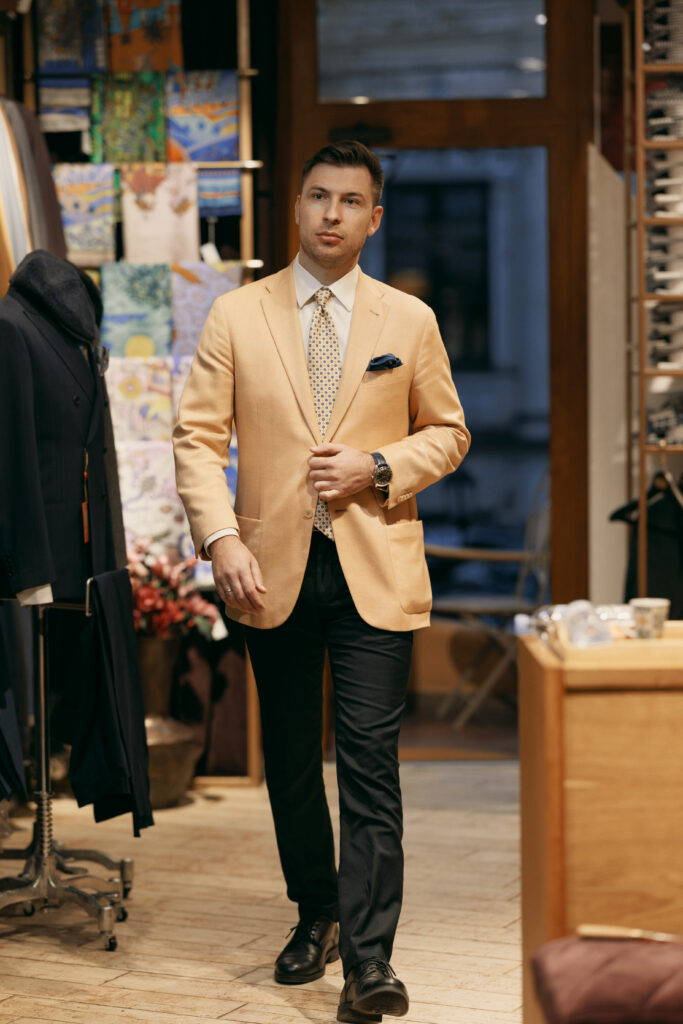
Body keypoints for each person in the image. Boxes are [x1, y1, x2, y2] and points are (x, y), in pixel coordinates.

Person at [173, 140, 470, 1022]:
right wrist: (220, 538)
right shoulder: (237, 314)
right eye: (316, 197)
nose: (330, 213)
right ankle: (317, 912)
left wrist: (377, 466)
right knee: (293, 760)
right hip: (268, 569)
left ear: (373, 218)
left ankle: (370, 961)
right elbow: (197, 439)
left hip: (375, 564)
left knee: (370, 763)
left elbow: (448, 432)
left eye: (348, 201)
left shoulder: (408, 319)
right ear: (296, 207)